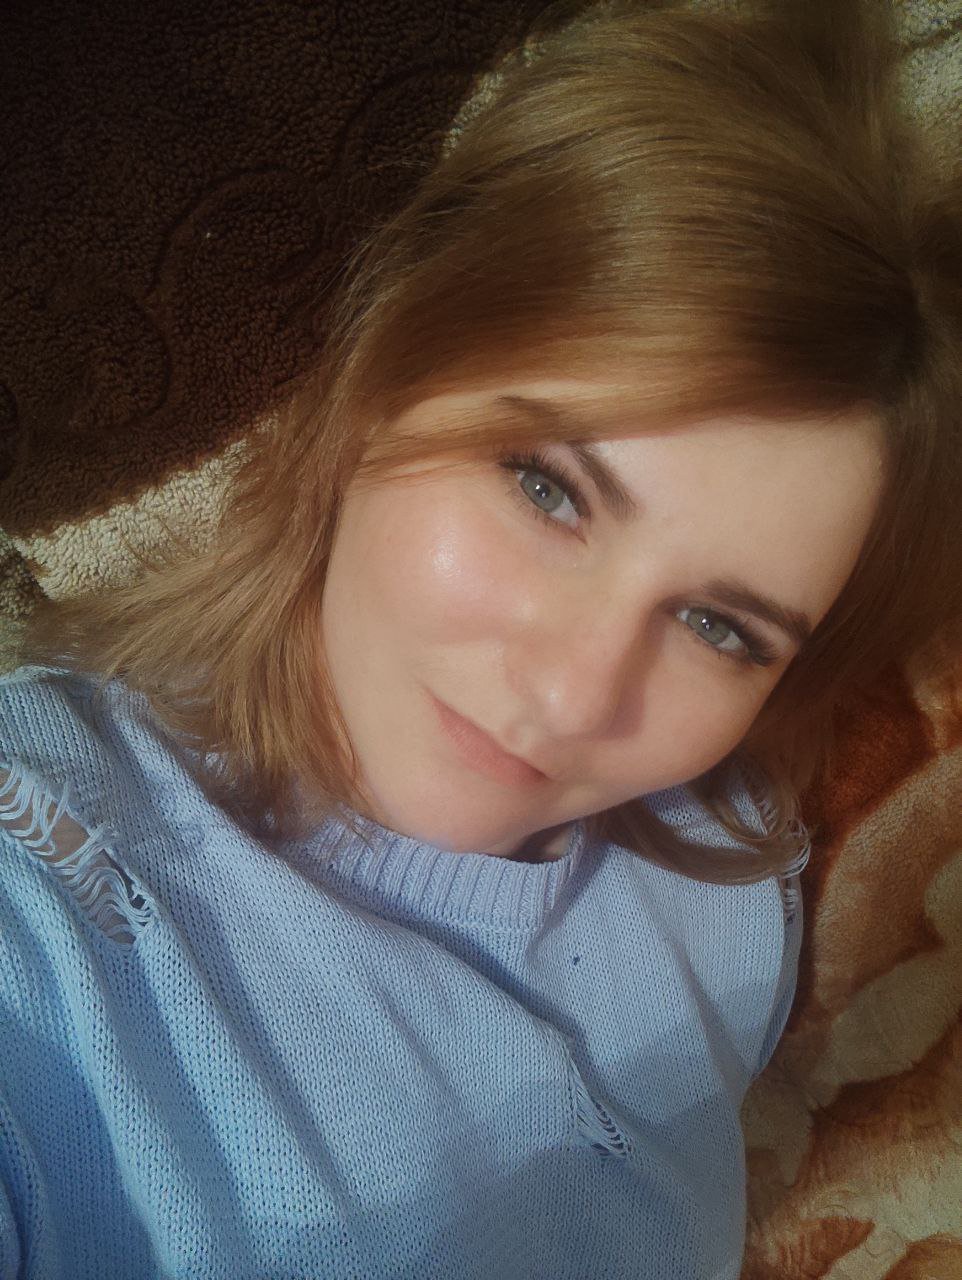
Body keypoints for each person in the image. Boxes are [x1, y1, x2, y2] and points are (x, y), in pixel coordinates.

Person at [1, 0, 959, 1276]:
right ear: (378, 366)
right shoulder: (45, 900)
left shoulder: (725, 859)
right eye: (547, 488)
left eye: (716, 623)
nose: (573, 694)